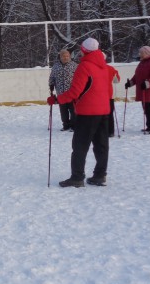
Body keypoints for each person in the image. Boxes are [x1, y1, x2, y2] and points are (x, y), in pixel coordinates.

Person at [47, 37, 111, 188]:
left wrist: (57, 100)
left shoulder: (84, 67)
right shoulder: (103, 66)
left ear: (84, 50)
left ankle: (77, 177)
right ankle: (100, 175)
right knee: (101, 145)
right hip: (103, 110)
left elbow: (75, 92)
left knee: (80, 145)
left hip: (88, 112)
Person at [125, 45, 150, 134]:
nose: (140, 54)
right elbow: (137, 76)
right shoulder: (142, 62)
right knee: (147, 109)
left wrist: (147, 83)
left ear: (146, 53)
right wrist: (130, 83)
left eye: (141, 53)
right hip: (143, 90)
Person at [48, 49, 78, 131]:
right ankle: (66, 125)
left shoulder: (74, 65)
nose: (66, 58)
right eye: (64, 56)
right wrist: (51, 85)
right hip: (60, 93)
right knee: (63, 111)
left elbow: (79, 78)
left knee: (73, 110)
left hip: (71, 92)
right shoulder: (55, 66)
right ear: (60, 57)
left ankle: (73, 125)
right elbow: (52, 77)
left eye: (67, 56)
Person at [104, 54, 121, 137]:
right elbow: (117, 80)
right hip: (109, 95)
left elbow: (116, 80)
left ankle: (104, 131)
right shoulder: (110, 68)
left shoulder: (93, 68)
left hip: (99, 96)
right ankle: (110, 131)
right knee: (110, 113)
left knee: (101, 114)